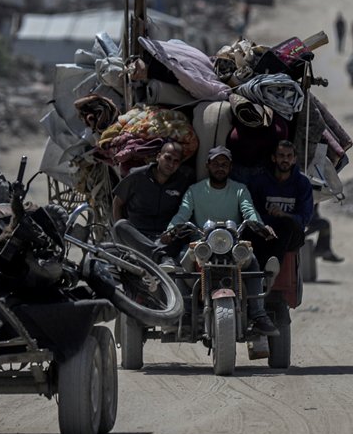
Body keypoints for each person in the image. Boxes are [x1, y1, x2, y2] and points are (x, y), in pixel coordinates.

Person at [163, 147, 278, 336]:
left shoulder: (239, 189)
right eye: (216, 163)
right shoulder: (194, 191)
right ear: (208, 165)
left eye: (224, 164)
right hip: (202, 246)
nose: (220, 168)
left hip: (232, 246)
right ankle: (185, 313)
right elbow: (182, 214)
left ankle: (258, 314)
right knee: (180, 265)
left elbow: (249, 212)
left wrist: (261, 226)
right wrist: (170, 230)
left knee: (254, 262)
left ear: (230, 167)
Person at [111, 141, 191, 252]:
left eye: (176, 161)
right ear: (158, 157)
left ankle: (153, 254)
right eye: (168, 158)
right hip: (137, 236)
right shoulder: (137, 176)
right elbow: (117, 202)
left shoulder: (182, 182)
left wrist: (171, 233)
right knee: (120, 226)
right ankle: (158, 256)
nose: (171, 164)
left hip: (164, 237)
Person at [248, 141, 314, 268]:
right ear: (274, 158)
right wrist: (265, 226)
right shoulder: (259, 182)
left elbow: (304, 218)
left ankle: (273, 267)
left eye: (289, 156)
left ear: (294, 159)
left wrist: (284, 214)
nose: (285, 159)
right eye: (281, 155)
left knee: (287, 224)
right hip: (264, 231)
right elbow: (252, 211)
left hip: (291, 235)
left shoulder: (302, 184)